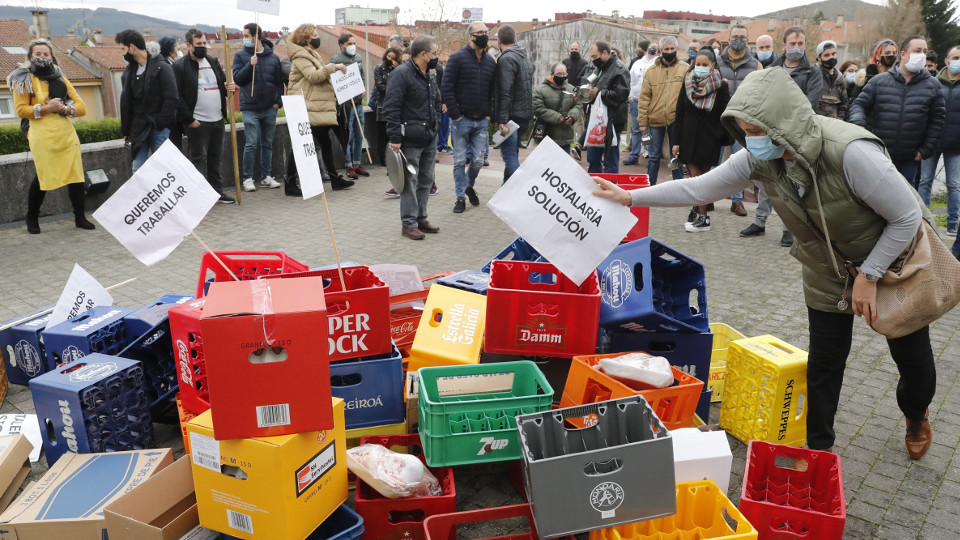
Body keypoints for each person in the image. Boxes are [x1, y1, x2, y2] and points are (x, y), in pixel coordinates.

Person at [594, 67, 938, 462]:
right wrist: (631, 197)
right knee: (825, 362)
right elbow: (698, 187)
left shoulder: (850, 152)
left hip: (891, 262)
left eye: (757, 130)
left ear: (783, 122)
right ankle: (819, 451)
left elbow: (907, 217)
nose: (750, 139)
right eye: (744, 131)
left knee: (911, 356)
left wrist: (871, 275)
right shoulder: (760, 157)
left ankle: (916, 413)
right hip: (828, 268)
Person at [10, 39, 95, 233]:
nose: (42, 57)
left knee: (76, 175)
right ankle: (32, 218)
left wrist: (64, 108)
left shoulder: (60, 77)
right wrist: (47, 107)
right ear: (30, 57)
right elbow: (21, 110)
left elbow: (81, 107)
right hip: (41, 134)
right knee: (43, 175)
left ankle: (80, 217)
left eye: (46, 54)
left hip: (65, 134)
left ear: (52, 57)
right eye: (37, 54)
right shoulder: (22, 78)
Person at [749, 26, 821, 247]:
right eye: (793, 44)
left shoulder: (812, 72)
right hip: (769, 132)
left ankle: (789, 229)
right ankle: (759, 222)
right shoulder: (772, 69)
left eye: (801, 44)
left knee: (791, 184)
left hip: (795, 136)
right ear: (784, 45)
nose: (797, 48)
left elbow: (809, 104)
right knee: (766, 178)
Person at [849, 35, 945, 187]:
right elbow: (858, 105)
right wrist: (859, 123)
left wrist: (925, 151)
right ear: (903, 55)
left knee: (905, 201)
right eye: (917, 50)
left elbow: (937, 120)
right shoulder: (879, 81)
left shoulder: (933, 85)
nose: (921, 55)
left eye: (924, 51)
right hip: (880, 155)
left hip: (910, 159)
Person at [383, 35, 442, 240]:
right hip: (409, 138)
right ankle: (408, 224)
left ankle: (421, 218)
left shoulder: (430, 74)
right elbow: (391, 107)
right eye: (434, 53)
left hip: (429, 136)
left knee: (426, 180)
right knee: (409, 181)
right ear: (423, 54)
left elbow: (436, 101)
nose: (437, 57)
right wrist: (395, 137)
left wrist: (437, 125)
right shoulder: (401, 74)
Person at [285, 23, 355, 194]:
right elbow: (314, 76)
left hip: (316, 106)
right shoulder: (301, 56)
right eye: (314, 34)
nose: (318, 37)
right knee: (302, 145)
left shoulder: (312, 54)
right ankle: (290, 182)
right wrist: (333, 67)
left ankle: (333, 178)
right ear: (306, 38)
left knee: (324, 142)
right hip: (307, 106)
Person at [672, 48, 731, 232]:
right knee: (695, 176)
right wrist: (676, 140)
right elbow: (679, 111)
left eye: (705, 65)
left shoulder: (721, 85)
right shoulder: (687, 82)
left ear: (712, 65)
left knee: (703, 177)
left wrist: (719, 135)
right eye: (698, 64)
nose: (700, 67)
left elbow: (725, 112)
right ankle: (698, 211)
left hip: (709, 136)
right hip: (688, 135)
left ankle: (702, 215)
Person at [173, 29, 235, 203]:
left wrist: (228, 87)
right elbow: (177, 97)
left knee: (215, 159)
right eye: (198, 44)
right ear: (188, 45)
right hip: (198, 122)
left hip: (217, 119)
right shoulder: (180, 66)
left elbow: (223, 85)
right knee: (198, 160)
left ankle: (217, 192)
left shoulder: (213, 62)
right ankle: (200, 197)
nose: (202, 47)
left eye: (204, 43)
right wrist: (190, 120)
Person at [442, 21, 496, 214]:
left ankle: (467, 185)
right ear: (470, 36)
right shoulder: (457, 59)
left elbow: (493, 90)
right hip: (461, 119)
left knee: (478, 161)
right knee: (458, 161)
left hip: (482, 120)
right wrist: (455, 115)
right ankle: (460, 198)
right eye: (479, 32)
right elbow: (446, 87)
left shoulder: (491, 62)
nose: (483, 34)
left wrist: (489, 114)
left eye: (486, 32)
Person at [115, 29, 177, 174]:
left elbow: (172, 98)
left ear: (132, 47)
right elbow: (126, 102)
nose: (122, 53)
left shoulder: (162, 67)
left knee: (163, 168)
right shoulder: (130, 71)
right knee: (138, 168)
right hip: (138, 128)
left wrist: (161, 123)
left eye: (123, 49)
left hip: (157, 127)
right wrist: (127, 130)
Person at [233, 22, 284, 192]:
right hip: (250, 108)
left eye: (246, 36)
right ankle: (248, 178)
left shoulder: (273, 57)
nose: (244, 39)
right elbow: (238, 79)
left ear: (256, 37)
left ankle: (266, 176)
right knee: (251, 143)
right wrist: (250, 64)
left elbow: (278, 82)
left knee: (267, 143)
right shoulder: (240, 56)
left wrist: (278, 102)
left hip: (270, 107)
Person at [716, 24, 760, 217]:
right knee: (713, 160)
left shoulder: (756, 65)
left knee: (738, 163)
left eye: (742, 36)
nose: (738, 39)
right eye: (735, 36)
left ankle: (737, 201)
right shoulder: (716, 62)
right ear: (729, 38)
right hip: (718, 118)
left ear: (747, 40)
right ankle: (709, 198)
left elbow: (761, 92)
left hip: (742, 120)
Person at [920, 45, 960, 237]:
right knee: (925, 181)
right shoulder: (934, 82)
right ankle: (922, 218)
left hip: (956, 144)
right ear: (947, 61)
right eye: (955, 57)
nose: (957, 61)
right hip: (933, 141)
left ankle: (952, 222)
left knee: (954, 183)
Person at [637, 36, 688, 184]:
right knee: (653, 156)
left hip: (676, 119)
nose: (670, 51)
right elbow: (644, 97)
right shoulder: (651, 71)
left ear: (677, 50)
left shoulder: (685, 69)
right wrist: (642, 121)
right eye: (666, 49)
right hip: (655, 119)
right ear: (660, 51)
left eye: (672, 49)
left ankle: (678, 188)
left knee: (676, 156)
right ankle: (650, 187)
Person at [493, 24, 534, 183]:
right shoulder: (524, 56)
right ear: (515, 39)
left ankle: (523, 189)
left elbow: (505, 91)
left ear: (498, 41)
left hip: (510, 119)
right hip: (523, 116)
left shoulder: (507, 58)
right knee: (513, 153)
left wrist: (502, 120)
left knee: (509, 156)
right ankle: (505, 192)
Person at [583, 40, 630, 174]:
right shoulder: (599, 68)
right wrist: (583, 94)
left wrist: (599, 93)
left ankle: (611, 190)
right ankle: (594, 188)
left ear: (605, 53)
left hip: (612, 122)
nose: (592, 60)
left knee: (610, 160)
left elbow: (621, 95)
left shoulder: (620, 69)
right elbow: (589, 83)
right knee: (592, 159)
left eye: (594, 57)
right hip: (596, 121)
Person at [331, 33, 369, 179]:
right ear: (342, 46)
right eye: (350, 43)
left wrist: (363, 87)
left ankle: (357, 163)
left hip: (358, 103)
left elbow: (361, 75)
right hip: (346, 106)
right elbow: (332, 81)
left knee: (359, 135)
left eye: (354, 43)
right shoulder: (335, 60)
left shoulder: (358, 58)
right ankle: (348, 165)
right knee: (348, 136)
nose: (353, 46)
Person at [532, 62, 582, 154]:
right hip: (547, 136)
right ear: (551, 74)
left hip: (566, 137)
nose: (562, 76)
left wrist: (572, 116)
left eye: (564, 74)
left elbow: (578, 105)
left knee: (564, 166)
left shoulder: (571, 89)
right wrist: (556, 117)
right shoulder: (540, 90)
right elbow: (538, 109)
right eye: (559, 74)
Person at [625, 41, 657, 166]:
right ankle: (634, 154)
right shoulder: (637, 63)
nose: (652, 49)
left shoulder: (658, 63)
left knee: (650, 130)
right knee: (636, 129)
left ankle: (649, 152)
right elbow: (631, 81)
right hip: (636, 100)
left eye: (655, 48)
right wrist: (630, 97)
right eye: (651, 47)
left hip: (652, 102)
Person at [375, 47, 401, 167]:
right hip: (383, 105)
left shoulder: (398, 70)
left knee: (393, 134)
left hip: (396, 106)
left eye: (393, 58)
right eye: (388, 57)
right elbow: (380, 86)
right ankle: (383, 159)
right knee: (382, 135)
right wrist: (393, 91)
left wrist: (397, 69)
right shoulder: (379, 69)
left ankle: (394, 160)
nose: (390, 60)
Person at [563, 41, 590, 159]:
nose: (574, 51)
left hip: (579, 94)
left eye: (576, 49)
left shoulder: (585, 63)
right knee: (566, 117)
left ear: (580, 50)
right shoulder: (565, 62)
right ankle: (566, 140)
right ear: (569, 50)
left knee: (579, 120)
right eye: (572, 49)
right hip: (566, 93)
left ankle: (580, 142)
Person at [815, 40, 847, 120]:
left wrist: (839, 121)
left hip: (834, 126)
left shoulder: (840, 79)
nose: (831, 57)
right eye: (826, 55)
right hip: (816, 123)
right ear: (819, 58)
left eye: (833, 54)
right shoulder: (813, 75)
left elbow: (843, 105)